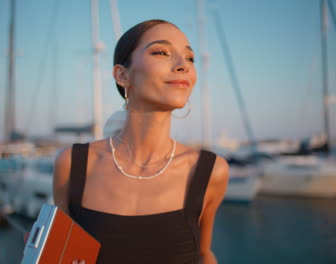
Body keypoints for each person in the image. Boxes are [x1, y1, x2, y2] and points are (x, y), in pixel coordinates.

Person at [53, 19, 229, 264]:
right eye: (161, 52)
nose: (183, 66)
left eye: (189, 58)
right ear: (122, 75)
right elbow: (61, 254)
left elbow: (203, 254)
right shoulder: (73, 164)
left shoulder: (210, 171)